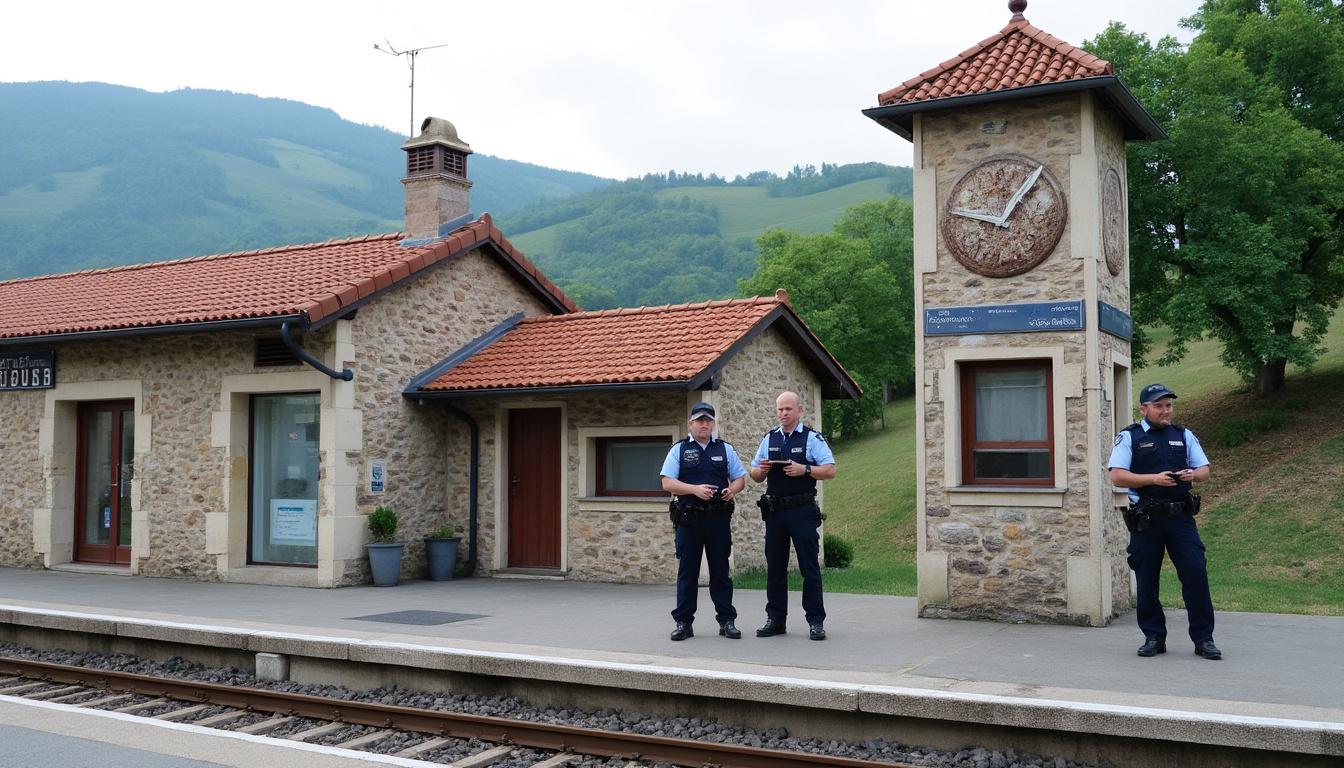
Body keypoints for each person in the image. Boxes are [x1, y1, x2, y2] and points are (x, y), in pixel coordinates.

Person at [1108, 384, 1220, 660]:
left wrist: (1191, 474)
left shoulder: (1183, 435)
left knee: (1195, 574)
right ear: (1144, 409)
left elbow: (1205, 470)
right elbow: (1118, 476)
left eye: (1168, 405)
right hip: (1147, 519)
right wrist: (1153, 479)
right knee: (1147, 580)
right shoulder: (1129, 437)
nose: (1166, 410)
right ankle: (1154, 637)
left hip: (1180, 519)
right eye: (1159, 406)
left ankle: (1204, 639)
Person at [747, 391, 836, 641]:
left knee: (809, 567)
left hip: (802, 511)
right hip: (775, 512)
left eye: (788, 409)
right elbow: (753, 474)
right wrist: (760, 471)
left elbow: (830, 471)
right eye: (779, 410)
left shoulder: (812, 438)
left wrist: (804, 469)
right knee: (775, 567)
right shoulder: (769, 438)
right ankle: (776, 619)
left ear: (799, 410)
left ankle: (815, 621)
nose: (783, 414)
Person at [660, 401, 747, 641]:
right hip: (689, 519)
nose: (704, 424)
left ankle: (727, 621)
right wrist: (694, 490)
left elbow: (740, 478)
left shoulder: (724, 449)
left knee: (720, 572)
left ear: (713, 423)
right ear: (691, 423)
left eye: (708, 420)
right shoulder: (679, 449)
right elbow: (667, 482)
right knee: (688, 573)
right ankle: (684, 623)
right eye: (700, 420)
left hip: (718, 520)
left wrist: (732, 490)